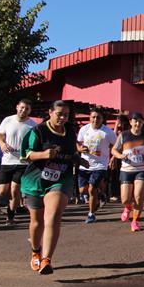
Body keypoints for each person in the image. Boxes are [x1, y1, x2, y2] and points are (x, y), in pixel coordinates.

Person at [20, 100, 85, 274]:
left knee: (54, 216)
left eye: (66, 114)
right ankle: (35, 251)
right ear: (50, 112)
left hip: (60, 179)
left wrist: (78, 159)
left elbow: (71, 152)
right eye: (59, 114)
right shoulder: (38, 131)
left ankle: (46, 260)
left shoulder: (70, 131)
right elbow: (25, 155)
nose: (63, 118)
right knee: (37, 222)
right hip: (35, 180)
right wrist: (43, 154)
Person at [112, 113, 144, 232]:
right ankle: (127, 207)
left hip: (142, 170)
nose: (138, 124)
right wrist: (120, 155)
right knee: (125, 199)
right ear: (131, 122)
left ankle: (135, 221)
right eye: (135, 121)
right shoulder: (124, 135)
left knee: (138, 197)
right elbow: (114, 150)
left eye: (140, 122)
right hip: (127, 169)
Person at [0, 98, 37, 225]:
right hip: (7, 161)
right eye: (22, 107)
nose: (24, 110)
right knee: (2, 191)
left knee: (15, 189)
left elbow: (36, 141)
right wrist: (2, 144)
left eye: (27, 109)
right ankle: (14, 202)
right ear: (17, 107)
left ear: (30, 111)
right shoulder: (8, 120)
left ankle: (10, 216)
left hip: (22, 162)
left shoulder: (32, 125)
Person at [76, 108, 116, 223]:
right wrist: (80, 149)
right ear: (90, 118)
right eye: (93, 117)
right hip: (85, 164)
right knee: (82, 190)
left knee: (92, 189)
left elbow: (116, 146)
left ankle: (91, 214)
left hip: (100, 165)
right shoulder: (84, 129)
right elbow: (78, 143)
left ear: (102, 119)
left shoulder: (108, 132)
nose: (95, 119)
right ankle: (101, 196)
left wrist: (113, 158)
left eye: (98, 117)